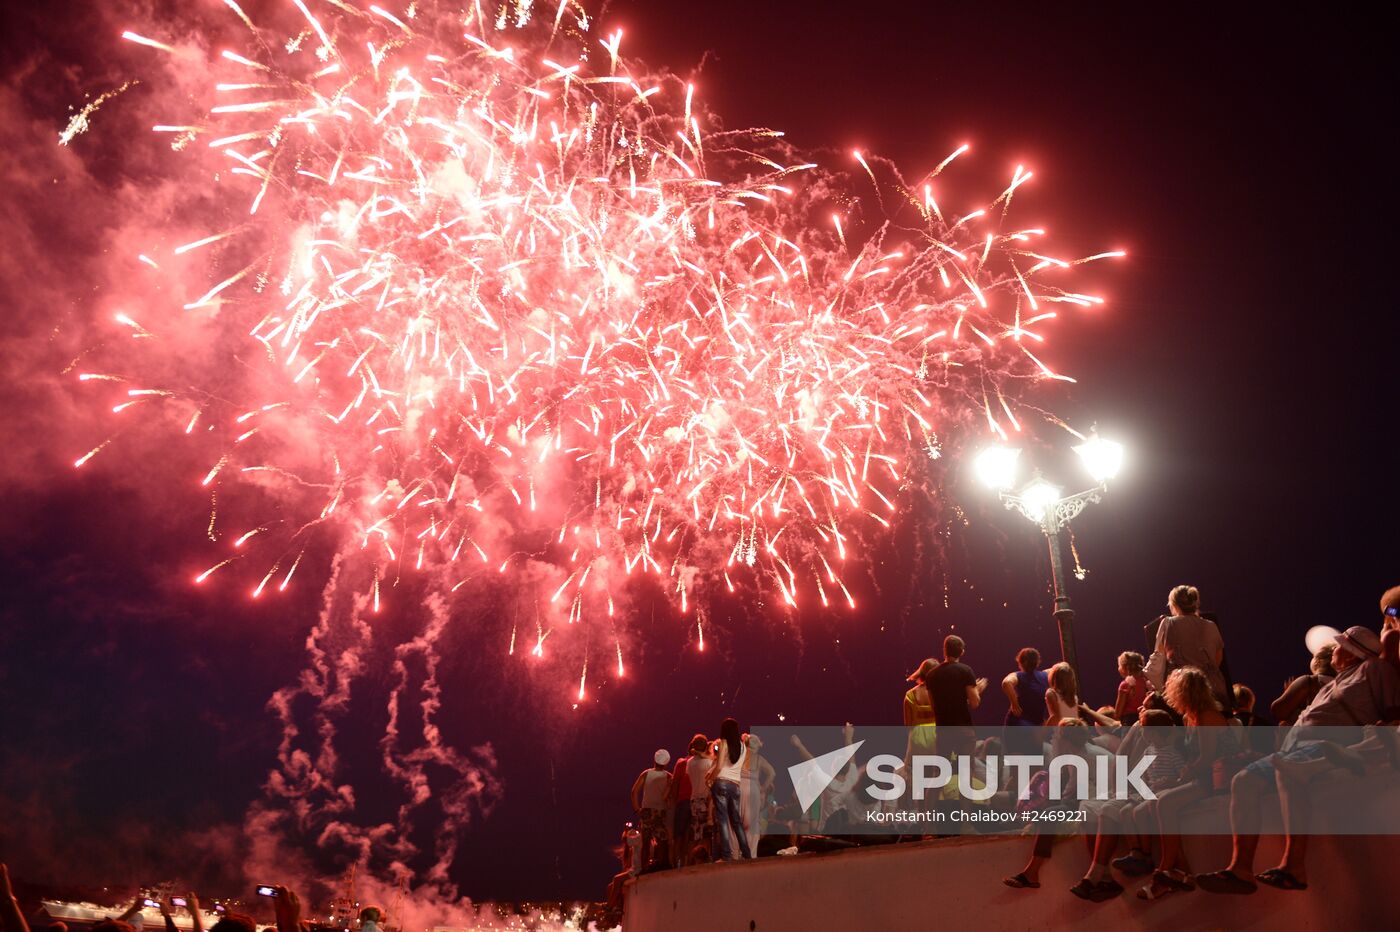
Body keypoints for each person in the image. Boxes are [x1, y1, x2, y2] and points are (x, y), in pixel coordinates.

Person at [1198, 626, 1400, 895]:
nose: (1333, 651)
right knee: (1244, 780)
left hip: (1325, 746)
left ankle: (1293, 867)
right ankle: (1240, 870)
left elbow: (1393, 712)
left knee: (1288, 771)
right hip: (1294, 749)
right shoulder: (1337, 681)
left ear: (1352, 655)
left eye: (1339, 646)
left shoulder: (1374, 669)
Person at [1136, 666, 1238, 900]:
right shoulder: (1187, 718)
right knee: (1155, 802)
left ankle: (1164, 869)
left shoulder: (1206, 717)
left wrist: (1181, 777)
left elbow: (1208, 757)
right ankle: (1180, 872)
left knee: (1164, 802)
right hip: (1203, 775)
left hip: (1218, 776)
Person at [1144, 585, 1229, 710]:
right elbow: (1218, 658)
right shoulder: (1211, 625)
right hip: (1213, 688)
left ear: (1174, 604)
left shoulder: (1168, 623)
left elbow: (1160, 654)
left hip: (1182, 690)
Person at [927, 635, 987, 762]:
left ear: (944, 650)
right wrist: (977, 690)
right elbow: (974, 703)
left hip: (943, 729)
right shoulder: (965, 671)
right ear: (962, 651)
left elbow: (934, 707)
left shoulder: (932, 675)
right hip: (963, 729)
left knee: (941, 772)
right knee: (965, 770)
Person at [707, 718, 752, 860]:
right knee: (736, 821)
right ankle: (746, 853)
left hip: (721, 783)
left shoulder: (723, 743)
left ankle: (726, 855)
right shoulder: (743, 747)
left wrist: (710, 779)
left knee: (723, 820)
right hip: (735, 785)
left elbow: (719, 766)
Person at [1270, 643, 1335, 726]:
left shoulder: (1308, 681)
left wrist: (1289, 694)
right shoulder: (1342, 686)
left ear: (1317, 662)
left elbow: (1279, 711)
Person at [631, 748, 673, 869]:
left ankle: (644, 867)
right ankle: (661, 866)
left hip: (646, 811)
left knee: (646, 841)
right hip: (660, 811)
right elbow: (669, 796)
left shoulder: (646, 773)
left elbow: (634, 792)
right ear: (666, 762)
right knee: (662, 841)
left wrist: (637, 809)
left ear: (654, 760)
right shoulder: (669, 776)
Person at [1001, 647, 1048, 756]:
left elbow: (1006, 683)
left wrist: (1014, 704)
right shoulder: (1045, 676)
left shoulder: (1018, 675)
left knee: (1017, 764)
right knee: (1034, 765)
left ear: (1020, 662)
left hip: (1018, 725)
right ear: (1038, 662)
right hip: (1036, 727)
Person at [904, 658, 939, 760]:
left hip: (917, 737)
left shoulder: (910, 694)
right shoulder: (942, 692)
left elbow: (908, 724)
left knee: (917, 772)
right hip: (938, 734)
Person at [1116, 652, 1150, 722]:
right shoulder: (1148, 683)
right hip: (1145, 719)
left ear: (1123, 668)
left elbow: (1118, 713)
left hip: (1129, 721)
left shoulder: (1125, 685)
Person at [1043, 662, 1080, 726]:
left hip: (1062, 730)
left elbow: (1055, 717)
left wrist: (1044, 733)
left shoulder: (1052, 694)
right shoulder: (1074, 697)